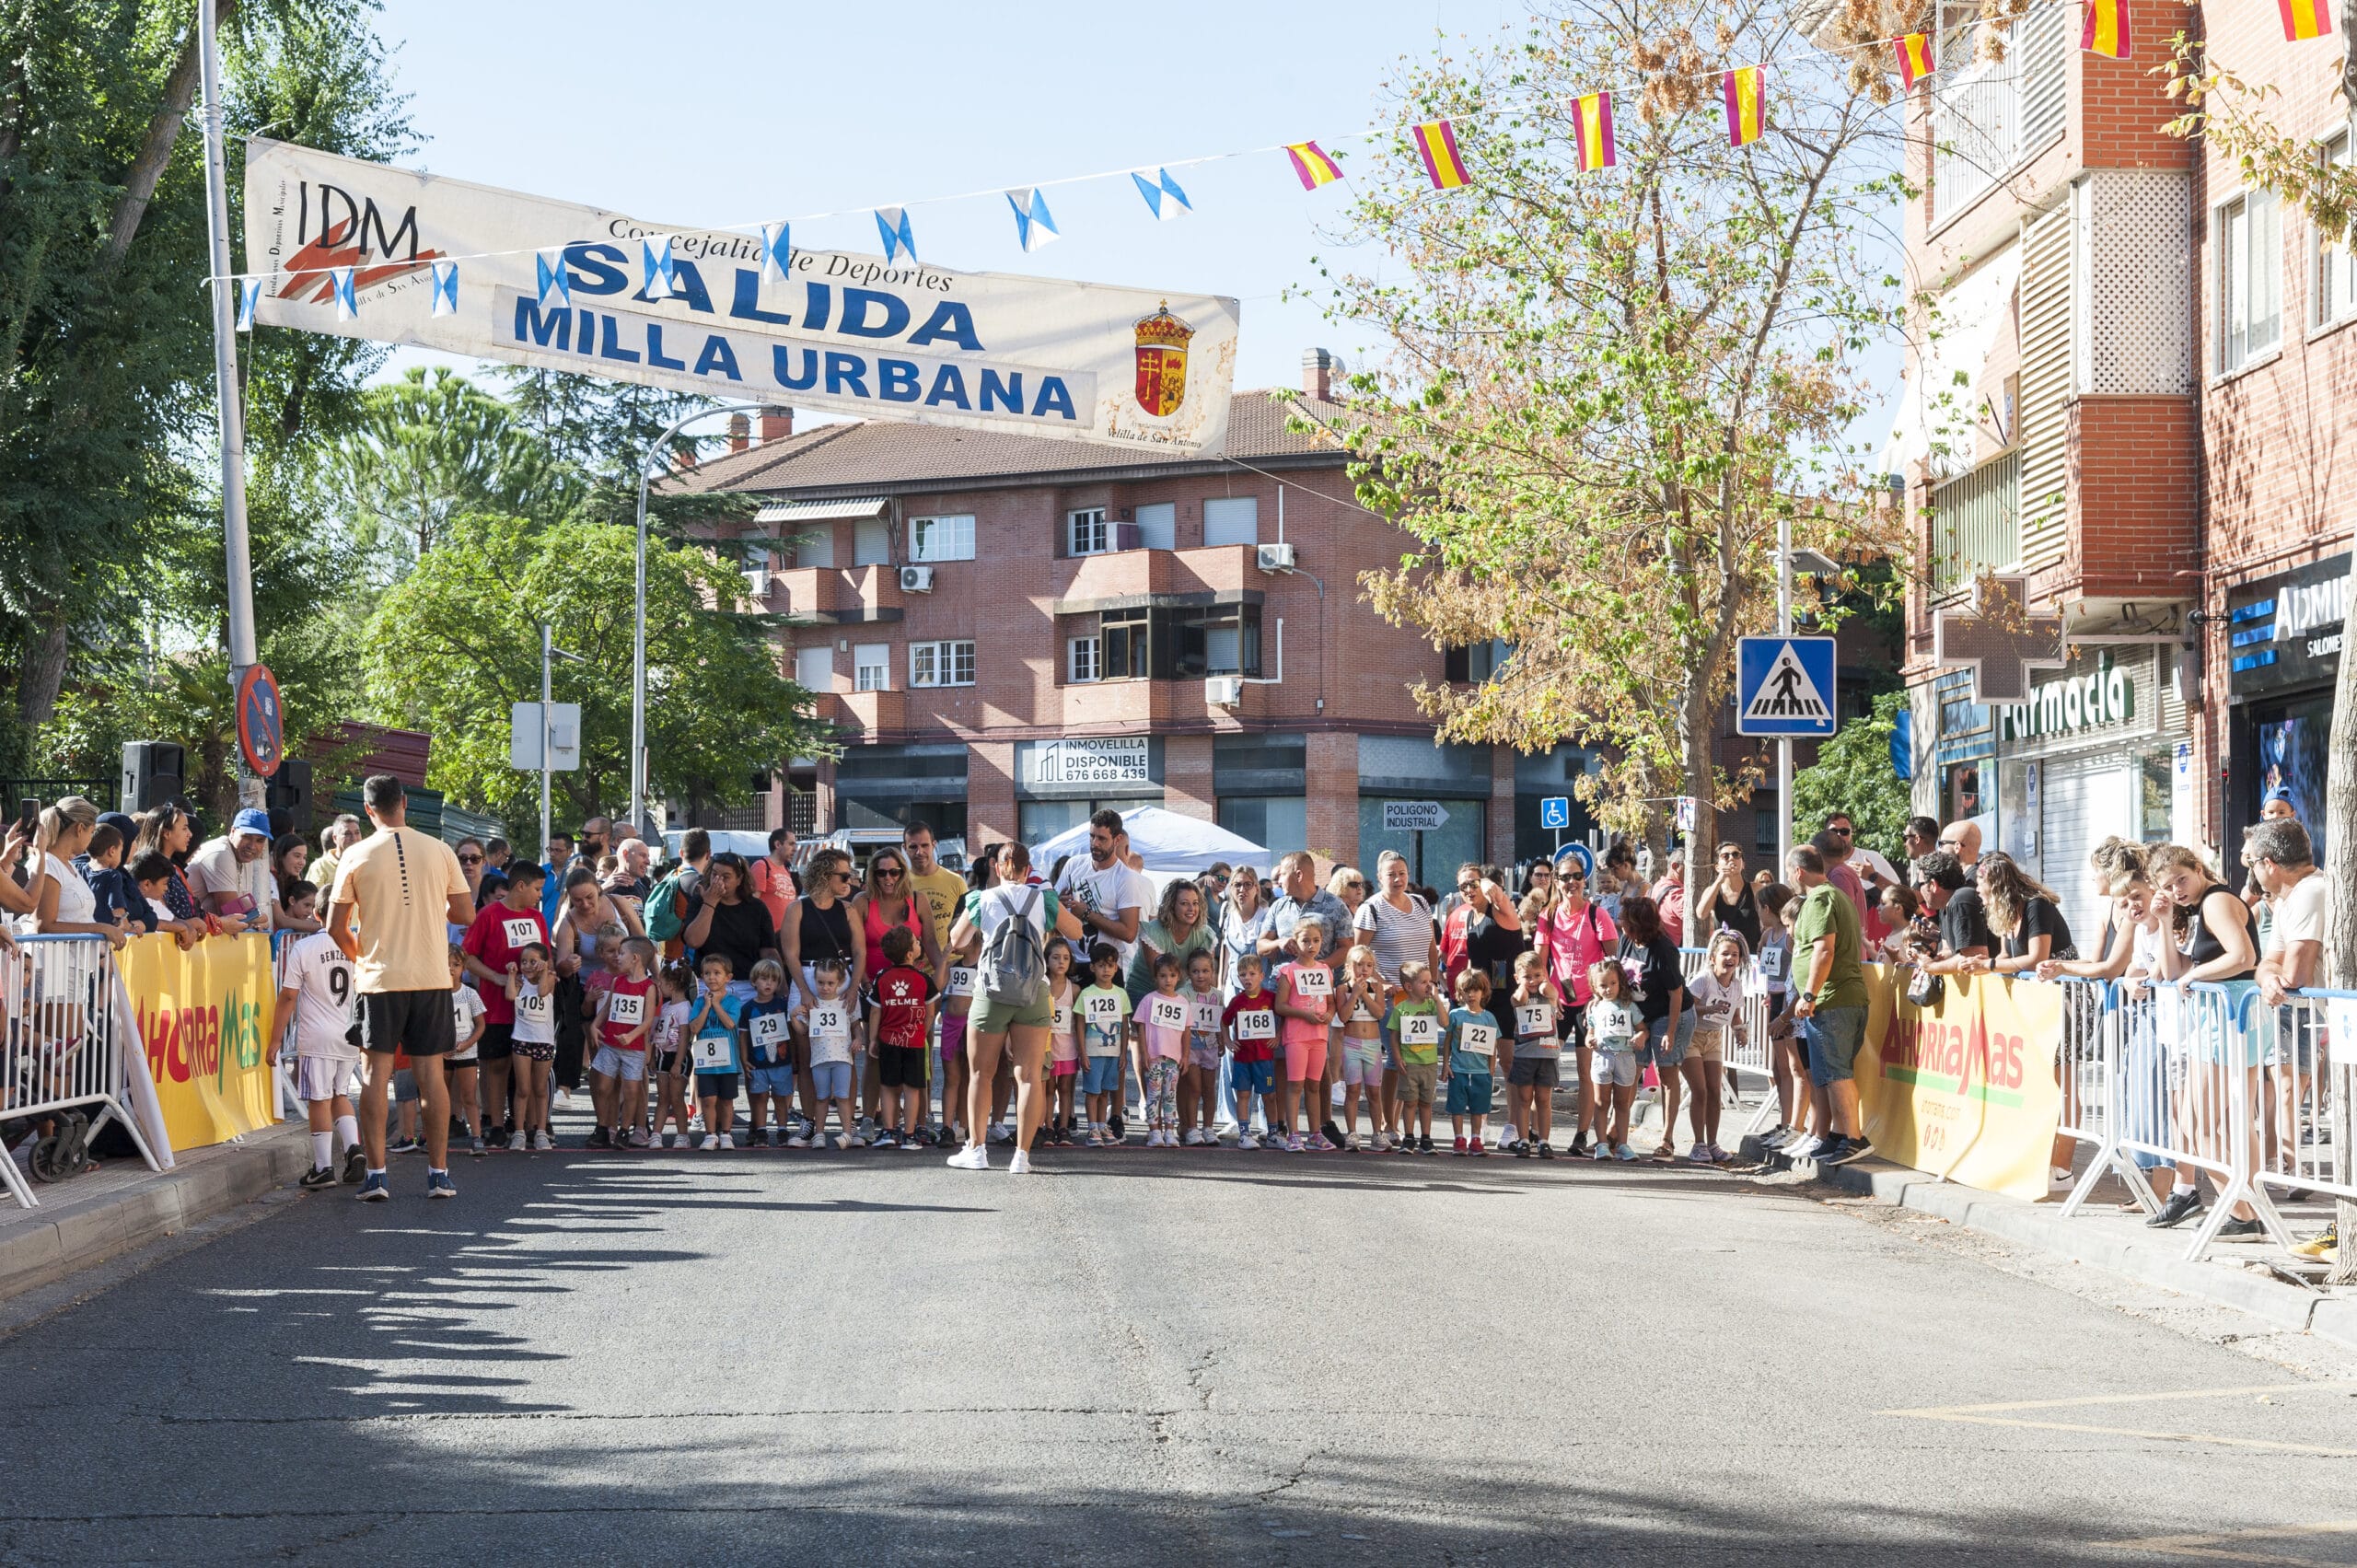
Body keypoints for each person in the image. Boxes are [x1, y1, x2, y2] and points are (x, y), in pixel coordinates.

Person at [327, 774, 473, 1202]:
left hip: (380, 979)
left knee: (375, 1076)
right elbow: (464, 914)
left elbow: (335, 926)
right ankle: (439, 1174)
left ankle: (376, 1176)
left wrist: (362, 958)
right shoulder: (440, 849)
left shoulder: (354, 853)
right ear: (405, 803)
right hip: (431, 976)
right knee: (432, 1075)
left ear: (368, 810)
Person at [2146, 842, 2267, 1237]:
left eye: (2181, 880)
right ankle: (2249, 1209)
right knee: (2230, 1122)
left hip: (2228, 1017)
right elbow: (2172, 971)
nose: (2176, 890)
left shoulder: (2216, 902)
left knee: (2196, 1121)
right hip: (2231, 1016)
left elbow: (2244, 957)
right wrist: (2165, 920)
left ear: (2198, 869)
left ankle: (2243, 1212)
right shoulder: (2202, 907)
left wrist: (2195, 976)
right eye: (2168, 886)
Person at [946, 841, 1083, 1172]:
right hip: (1034, 991)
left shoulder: (981, 899)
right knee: (1030, 1076)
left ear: (997, 867)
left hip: (991, 992)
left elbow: (957, 940)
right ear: (1028, 869)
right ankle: (1022, 1156)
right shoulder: (1043, 899)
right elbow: (1076, 932)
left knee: (981, 1073)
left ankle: (977, 1150)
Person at [1782, 843, 1874, 1167]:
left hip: (1833, 1000)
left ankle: (1854, 1138)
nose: (1789, 879)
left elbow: (1824, 949)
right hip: (1838, 999)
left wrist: (1809, 994)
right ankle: (1838, 1134)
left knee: (1836, 1073)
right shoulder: (1835, 896)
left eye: (1789, 873)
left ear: (1798, 871)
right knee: (1832, 1072)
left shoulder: (1819, 899)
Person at [848, 846, 945, 1139]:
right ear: (872, 874)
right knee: (875, 1053)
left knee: (921, 1054)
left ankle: (923, 1118)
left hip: (915, 991)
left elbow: (931, 944)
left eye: (894, 871)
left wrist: (939, 983)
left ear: (903, 872)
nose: (888, 878)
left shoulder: (918, 899)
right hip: (875, 990)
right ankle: (869, 1118)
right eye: (881, 872)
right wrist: (865, 982)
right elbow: (856, 949)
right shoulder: (863, 901)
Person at [461, 861, 552, 1150]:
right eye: (537, 889)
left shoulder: (537, 918)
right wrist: (498, 977)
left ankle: (530, 1125)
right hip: (497, 1005)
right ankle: (497, 1125)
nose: (540, 895)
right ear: (520, 886)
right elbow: (468, 956)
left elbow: (546, 958)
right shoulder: (488, 915)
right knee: (497, 1065)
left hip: (532, 1011)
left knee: (530, 1069)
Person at [280, 891, 366, 1190]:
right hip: (348, 1032)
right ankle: (353, 1147)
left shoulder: (304, 947)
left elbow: (289, 995)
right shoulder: (357, 945)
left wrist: (275, 1039)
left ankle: (323, 1166)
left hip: (317, 1035)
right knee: (340, 1094)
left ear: (316, 914)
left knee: (319, 1099)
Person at [1614, 893, 1688, 1160]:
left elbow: (1676, 993)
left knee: (1667, 1073)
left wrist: (1670, 1032)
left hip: (1669, 1013)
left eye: (1625, 920)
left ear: (1639, 924)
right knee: (1631, 1070)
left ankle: (1667, 1140)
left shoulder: (1663, 949)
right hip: (1640, 1015)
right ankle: (1615, 1130)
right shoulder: (1626, 940)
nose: (1620, 923)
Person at [18, 797, 125, 948]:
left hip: (76, 960)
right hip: (53, 960)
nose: (91, 839)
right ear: (80, 829)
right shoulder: (48, 863)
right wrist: (100, 928)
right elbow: (44, 926)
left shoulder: (67, 865)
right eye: (91, 832)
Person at [1053, 809, 1150, 974]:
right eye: (1092, 836)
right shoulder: (1074, 865)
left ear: (1117, 840)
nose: (1095, 843)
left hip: (1106, 969)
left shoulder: (1125, 878)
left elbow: (1129, 933)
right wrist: (1058, 904)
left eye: (1102, 838)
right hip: (1071, 964)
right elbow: (1051, 910)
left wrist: (1087, 914)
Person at [586, 936, 658, 1150]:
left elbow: (648, 1019)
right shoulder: (618, 981)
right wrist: (594, 1025)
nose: (618, 957)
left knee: (631, 1090)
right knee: (603, 1086)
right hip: (610, 1044)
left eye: (622, 953)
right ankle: (603, 1127)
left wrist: (632, 1036)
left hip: (633, 1048)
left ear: (635, 958)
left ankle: (625, 1130)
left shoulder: (649, 987)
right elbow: (607, 1008)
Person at [1681, 930, 1747, 1163]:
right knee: (1699, 1090)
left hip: (1714, 1038)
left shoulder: (1737, 985)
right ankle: (1698, 1144)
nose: (1730, 959)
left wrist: (1740, 1031)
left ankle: (1712, 1143)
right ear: (1712, 958)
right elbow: (1686, 1008)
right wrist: (1708, 1009)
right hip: (1692, 1036)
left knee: (1715, 1091)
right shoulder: (1703, 979)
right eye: (1725, 954)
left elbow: (1735, 1016)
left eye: (1735, 955)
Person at [868, 927, 937, 1150]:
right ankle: (909, 1134)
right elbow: (930, 1013)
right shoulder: (923, 978)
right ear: (909, 954)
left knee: (888, 1087)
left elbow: (875, 1011)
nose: (919, 944)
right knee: (912, 1088)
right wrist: (921, 1032)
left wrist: (873, 1039)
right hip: (914, 1041)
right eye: (916, 942)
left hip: (889, 1040)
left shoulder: (882, 978)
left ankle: (889, 1131)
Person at [1271, 918, 1337, 1151]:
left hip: (1319, 1036)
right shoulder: (1288, 971)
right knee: (1295, 1085)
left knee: (1314, 1086)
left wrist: (1329, 1014)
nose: (1311, 945)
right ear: (1295, 943)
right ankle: (1294, 1134)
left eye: (1316, 941)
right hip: (1297, 1036)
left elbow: (1331, 1002)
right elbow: (1280, 1006)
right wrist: (1304, 1014)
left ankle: (1315, 1133)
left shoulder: (1325, 970)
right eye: (1306, 941)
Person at [1968, 853, 2075, 977]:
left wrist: (1989, 965)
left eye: (1980, 884)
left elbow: (2037, 960)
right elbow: (2005, 955)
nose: (1977, 890)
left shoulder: (2037, 906)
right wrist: (1982, 965)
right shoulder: (2007, 912)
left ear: (1995, 886)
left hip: (2063, 985)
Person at [1504, 948, 1562, 1158]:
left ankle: (1544, 1140)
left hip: (1547, 1054)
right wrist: (1522, 984)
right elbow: (1519, 998)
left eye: (1537, 975)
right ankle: (1524, 1140)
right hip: (1525, 1055)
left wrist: (1543, 981)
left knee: (1544, 1099)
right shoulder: (1518, 995)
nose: (1533, 980)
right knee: (1524, 1099)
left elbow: (1550, 991)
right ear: (1517, 978)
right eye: (1527, 976)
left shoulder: (1549, 993)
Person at [1585, 958, 1644, 1161]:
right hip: (1602, 1056)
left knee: (1622, 1103)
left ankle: (1623, 1145)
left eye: (1612, 983)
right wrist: (1589, 1040)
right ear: (1595, 986)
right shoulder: (1595, 1008)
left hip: (1625, 1057)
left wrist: (1641, 1036)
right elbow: (1590, 1032)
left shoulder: (1629, 1007)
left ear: (1620, 982)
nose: (1608, 989)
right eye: (1603, 985)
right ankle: (1602, 1144)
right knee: (1601, 1102)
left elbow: (1642, 1028)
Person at [1332, 944, 1389, 1150]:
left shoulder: (1377, 987)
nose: (1364, 969)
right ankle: (1352, 1133)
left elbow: (1379, 1013)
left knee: (1374, 1091)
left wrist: (1364, 994)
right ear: (1349, 966)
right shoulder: (1342, 989)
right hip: (1351, 1044)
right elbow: (1343, 1016)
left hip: (1373, 1045)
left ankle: (1377, 1133)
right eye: (1359, 964)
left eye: (1369, 965)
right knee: (1353, 1090)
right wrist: (1355, 994)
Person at [1132, 951, 1190, 1148]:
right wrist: (1144, 1053)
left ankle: (1170, 1131)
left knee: (1170, 1096)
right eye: (1163, 976)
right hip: (1154, 1058)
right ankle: (1154, 1131)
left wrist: (1185, 1056)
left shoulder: (1182, 1002)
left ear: (1179, 977)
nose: (1168, 980)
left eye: (1172, 975)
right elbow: (1140, 1027)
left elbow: (1186, 1030)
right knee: (1153, 1096)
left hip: (1173, 1059)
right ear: (1156, 977)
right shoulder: (1149, 1000)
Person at [505, 941, 559, 1150]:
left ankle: (541, 1131)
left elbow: (543, 992)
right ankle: (519, 1131)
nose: (527, 966)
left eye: (533, 961)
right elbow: (510, 996)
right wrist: (511, 975)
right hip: (522, 1039)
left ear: (544, 962)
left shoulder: (550, 978)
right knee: (523, 1088)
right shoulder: (520, 982)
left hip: (543, 1041)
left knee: (540, 1088)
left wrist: (545, 971)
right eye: (524, 961)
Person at [687, 952, 745, 1150]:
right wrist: (706, 1007)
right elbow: (694, 1028)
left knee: (726, 1099)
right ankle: (710, 1134)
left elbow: (730, 1023)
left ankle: (726, 1134)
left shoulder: (733, 1001)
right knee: (708, 1098)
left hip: (727, 1061)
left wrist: (717, 1004)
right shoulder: (699, 1002)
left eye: (717, 973)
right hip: (706, 1062)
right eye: (707, 973)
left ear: (728, 977)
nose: (712, 977)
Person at [1385, 960, 1444, 1155]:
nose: (1429, 986)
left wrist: (1438, 1000)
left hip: (1429, 1062)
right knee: (1409, 1101)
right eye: (1424, 982)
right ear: (1409, 987)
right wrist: (1397, 1056)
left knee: (1426, 1102)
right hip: (1409, 1062)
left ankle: (1426, 1138)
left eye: (1430, 981)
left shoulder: (1432, 1005)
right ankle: (1409, 1137)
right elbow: (1394, 1035)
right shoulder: (1401, 1008)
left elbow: (1445, 1022)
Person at [1222, 953, 1280, 1149]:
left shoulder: (1270, 998)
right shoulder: (1237, 1001)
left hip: (1264, 1057)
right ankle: (1244, 1133)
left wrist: (1278, 1036)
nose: (1247, 978)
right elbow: (1224, 1021)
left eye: (1252, 974)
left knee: (1269, 1095)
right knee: (1243, 1095)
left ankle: (1273, 1133)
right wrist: (1228, 1041)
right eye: (1243, 975)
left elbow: (1283, 1015)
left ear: (1261, 976)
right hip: (1243, 1058)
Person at [736, 957, 795, 1148]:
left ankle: (782, 1129)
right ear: (754, 981)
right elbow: (743, 1036)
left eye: (773, 980)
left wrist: (794, 1057)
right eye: (764, 979)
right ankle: (761, 1131)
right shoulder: (747, 1009)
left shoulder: (783, 1005)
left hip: (781, 1061)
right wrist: (744, 1059)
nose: (769, 983)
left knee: (781, 1096)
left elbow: (791, 1032)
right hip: (757, 1062)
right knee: (760, 1096)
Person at [186, 807, 275, 932]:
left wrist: (258, 918)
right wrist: (260, 918)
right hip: (184, 929)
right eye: (246, 837)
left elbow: (246, 908)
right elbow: (233, 914)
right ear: (232, 831)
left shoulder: (245, 856)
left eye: (260, 841)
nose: (252, 846)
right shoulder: (221, 853)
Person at [1442, 968, 1501, 1154]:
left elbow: (1492, 1046)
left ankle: (1476, 1138)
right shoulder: (1455, 1015)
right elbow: (1448, 1041)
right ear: (1460, 993)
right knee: (1457, 1107)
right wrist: (1445, 1064)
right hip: (1458, 1069)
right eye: (1467, 991)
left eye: (1475, 990)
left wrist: (1491, 1069)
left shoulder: (1489, 1018)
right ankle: (1459, 1139)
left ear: (1483, 992)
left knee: (1478, 1107)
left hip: (1481, 1071)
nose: (1471, 995)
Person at [1077, 943, 1130, 1147]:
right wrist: (1083, 1053)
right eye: (1101, 965)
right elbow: (1080, 1024)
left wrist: (1123, 1052)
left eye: (1110, 965)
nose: (1106, 970)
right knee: (1093, 1092)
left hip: (1113, 1052)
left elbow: (1124, 1025)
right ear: (1092, 968)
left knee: (1106, 1091)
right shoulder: (1087, 994)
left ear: (1116, 968)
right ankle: (1092, 1128)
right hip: (1093, 1051)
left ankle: (1101, 1125)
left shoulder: (1121, 994)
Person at [1132, 877, 1215, 1003]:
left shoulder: (1205, 934)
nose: (1191, 909)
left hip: (1182, 993)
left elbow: (1206, 976)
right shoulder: (1154, 932)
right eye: (1184, 903)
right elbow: (1160, 976)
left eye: (1195, 903)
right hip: (1144, 991)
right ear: (1171, 906)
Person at [1911, 851, 1994, 975]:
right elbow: (1949, 951)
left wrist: (1932, 967)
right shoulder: (1945, 905)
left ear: (1933, 885)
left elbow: (1973, 958)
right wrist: (1929, 958)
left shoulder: (1961, 900)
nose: (1918, 890)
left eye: (1920, 885)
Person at [1179, 948, 1225, 1146]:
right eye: (1196, 971)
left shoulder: (1218, 995)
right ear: (1188, 973)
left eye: (1205, 971)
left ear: (1212, 972)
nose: (1201, 975)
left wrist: (1222, 1040)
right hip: (1190, 1048)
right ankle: (1191, 1128)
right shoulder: (1183, 995)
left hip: (1210, 1048)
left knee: (1209, 1089)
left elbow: (1220, 1021)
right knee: (1194, 1088)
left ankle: (1208, 1127)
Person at [445, 945, 487, 1156]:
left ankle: (477, 1138)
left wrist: (468, 1043)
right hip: (443, 1054)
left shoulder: (469, 994)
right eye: (446, 964)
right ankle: (436, 1137)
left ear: (463, 968)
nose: (451, 969)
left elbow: (480, 1025)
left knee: (469, 1096)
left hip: (466, 1054)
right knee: (441, 1097)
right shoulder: (436, 995)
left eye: (456, 964)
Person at [651, 961, 698, 1148]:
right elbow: (657, 1033)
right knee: (663, 1097)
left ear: (670, 986)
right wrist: (653, 1056)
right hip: (663, 1055)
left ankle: (682, 1134)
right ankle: (656, 1134)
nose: (659, 986)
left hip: (679, 1057)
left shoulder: (685, 1008)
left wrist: (678, 1063)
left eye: (661, 983)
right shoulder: (664, 1007)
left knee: (676, 1098)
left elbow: (685, 1037)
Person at [1042, 942, 1083, 1145]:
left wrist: (1082, 1048)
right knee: (1048, 1089)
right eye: (1056, 957)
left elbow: (1079, 1021)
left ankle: (1064, 1127)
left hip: (1068, 1048)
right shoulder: (1042, 986)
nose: (1061, 962)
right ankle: (1049, 1127)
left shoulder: (1074, 989)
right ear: (1047, 960)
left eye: (1066, 958)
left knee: (1065, 1089)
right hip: (1047, 1048)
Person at [1701, 842, 1761, 949]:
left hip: (1751, 954)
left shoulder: (1756, 889)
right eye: (1725, 856)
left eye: (1736, 855)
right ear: (1717, 867)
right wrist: (1719, 881)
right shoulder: (1712, 891)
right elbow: (1701, 914)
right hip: (1724, 953)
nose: (1731, 858)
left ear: (1743, 864)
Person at [749, 826, 800, 932]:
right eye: (791, 844)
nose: (795, 849)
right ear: (778, 844)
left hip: (787, 934)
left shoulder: (786, 869)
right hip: (769, 935)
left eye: (795, 844)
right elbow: (752, 904)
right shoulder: (761, 866)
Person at [271, 835, 322, 933]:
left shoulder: (294, 878)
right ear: (281, 855)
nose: (302, 862)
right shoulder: (270, 879)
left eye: (304, 858)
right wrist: (324, 927)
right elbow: (281, 921)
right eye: (297, 856)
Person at [307, 814, 364, 894]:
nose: (354, 838)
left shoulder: (366, 862)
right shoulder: (320, 866)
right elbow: (312, 898)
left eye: (357, 833)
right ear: (335, 838)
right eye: (347, 834)